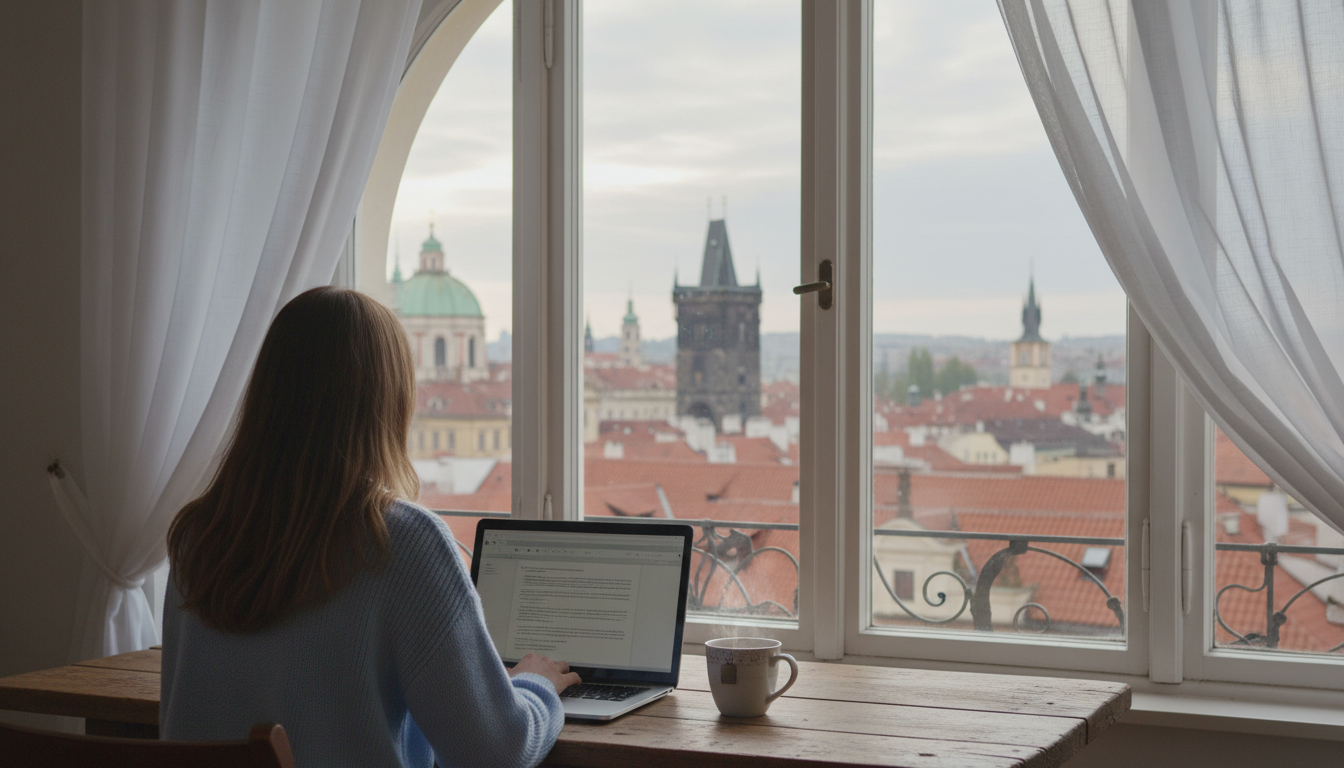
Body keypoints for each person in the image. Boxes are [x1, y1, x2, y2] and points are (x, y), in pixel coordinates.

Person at [160, 287, 579, 767]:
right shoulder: (400, 540)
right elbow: (497, 752)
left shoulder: (196, 536)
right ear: (390, 402)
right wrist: (536, 684)